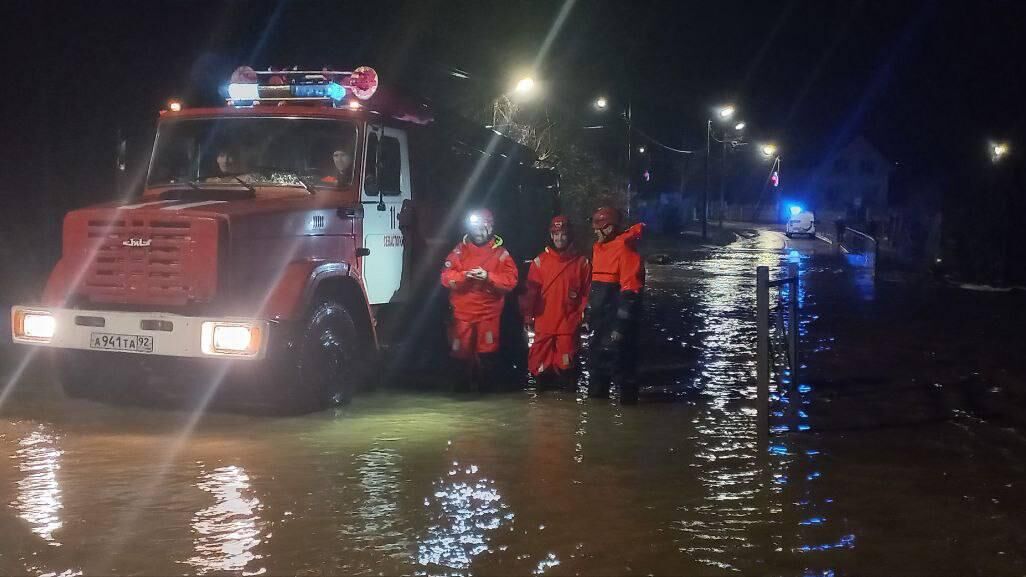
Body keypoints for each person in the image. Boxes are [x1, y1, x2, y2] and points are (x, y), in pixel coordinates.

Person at [440, 209, 519, 389]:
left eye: (483, 227)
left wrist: (488, 277)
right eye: (476, 227)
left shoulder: (501, 254)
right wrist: (465, 275)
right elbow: (446, 277)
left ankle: (486, 395)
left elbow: (510, 280)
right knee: (460, 355)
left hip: (488, 315)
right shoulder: (459, 251)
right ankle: (461, 395)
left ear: (491, 228)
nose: (479, 232)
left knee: (487, 356)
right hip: (462, 315)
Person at [520, 216, 591, 385]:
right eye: (556, 234)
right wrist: (527, 316)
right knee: (539, 370)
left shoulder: (582, 263)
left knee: (567, 370)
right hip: (544, 323)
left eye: (563, 234)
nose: (559, 238)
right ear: (551, 236)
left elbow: (586, 294)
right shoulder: (539, 262)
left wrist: (584, 317)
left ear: (569, 235)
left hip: (567, 323)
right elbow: (530, 293)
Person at [587, 206, 645, 404]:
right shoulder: (598, 249)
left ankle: (628, 418)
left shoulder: (625, 249)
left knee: (623, 371)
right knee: (596, 370)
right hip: (601, 322)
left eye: (599, 227)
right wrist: (588, 315)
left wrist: (620, 327)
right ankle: (596, 422)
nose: (595, 231)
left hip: (618, 325)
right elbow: (595, 288)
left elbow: (631, 292)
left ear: (610, 228)